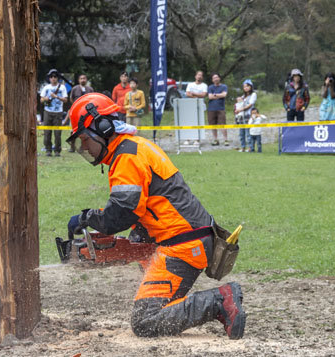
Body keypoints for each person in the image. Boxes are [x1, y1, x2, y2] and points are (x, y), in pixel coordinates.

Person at [66, 93, 246, 340]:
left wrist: (86, 218)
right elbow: (144, 210)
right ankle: (212, 300)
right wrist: (122, 246)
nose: (84, 146)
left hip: (182, 244)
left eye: (85, 138)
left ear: (103, 127)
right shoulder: (135, 146)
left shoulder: (127, 156)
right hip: (184, 237)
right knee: (146, 274)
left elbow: (121, 215)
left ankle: (219, 300)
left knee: (145, 320)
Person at [40, 69, 68, 156]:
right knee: (47, 132)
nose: (53, 78)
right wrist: (46, 99)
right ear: (49, 78)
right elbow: (41, 100)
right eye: (51, 76)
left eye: (55, 76)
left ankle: (57, 150)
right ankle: (48, 150)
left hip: (58, 112)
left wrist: (56, 97)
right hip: (48, 111)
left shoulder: (62, 87)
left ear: (58, 78)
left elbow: (65, 100)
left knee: (57, 133)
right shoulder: (46, 87)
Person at [235, 79, 257, 152]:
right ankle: (243, 147)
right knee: (241, 133)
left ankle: (250, 147)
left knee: (248, 133)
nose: (246, 88)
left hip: (248, 116)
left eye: (247, 86)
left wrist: (240, 110)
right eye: (244, 87)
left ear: (251, 87)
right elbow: (239, 104)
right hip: (241, 116)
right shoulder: (243, 96)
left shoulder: (253, 94)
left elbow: (250, 105)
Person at [207, 73, 228, 146]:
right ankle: (215, 140)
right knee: (213, 125)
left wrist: (215, 94)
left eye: (217, 77)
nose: (215, 79)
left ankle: (225, 140)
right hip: (211, 108)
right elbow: (210, 97)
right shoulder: (210, 87)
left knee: (222, 124)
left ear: (219, 78)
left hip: (221, 108)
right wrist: (219, 95)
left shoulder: (224, 86)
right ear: (212, 80)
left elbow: (224, 95)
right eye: (214, 78)